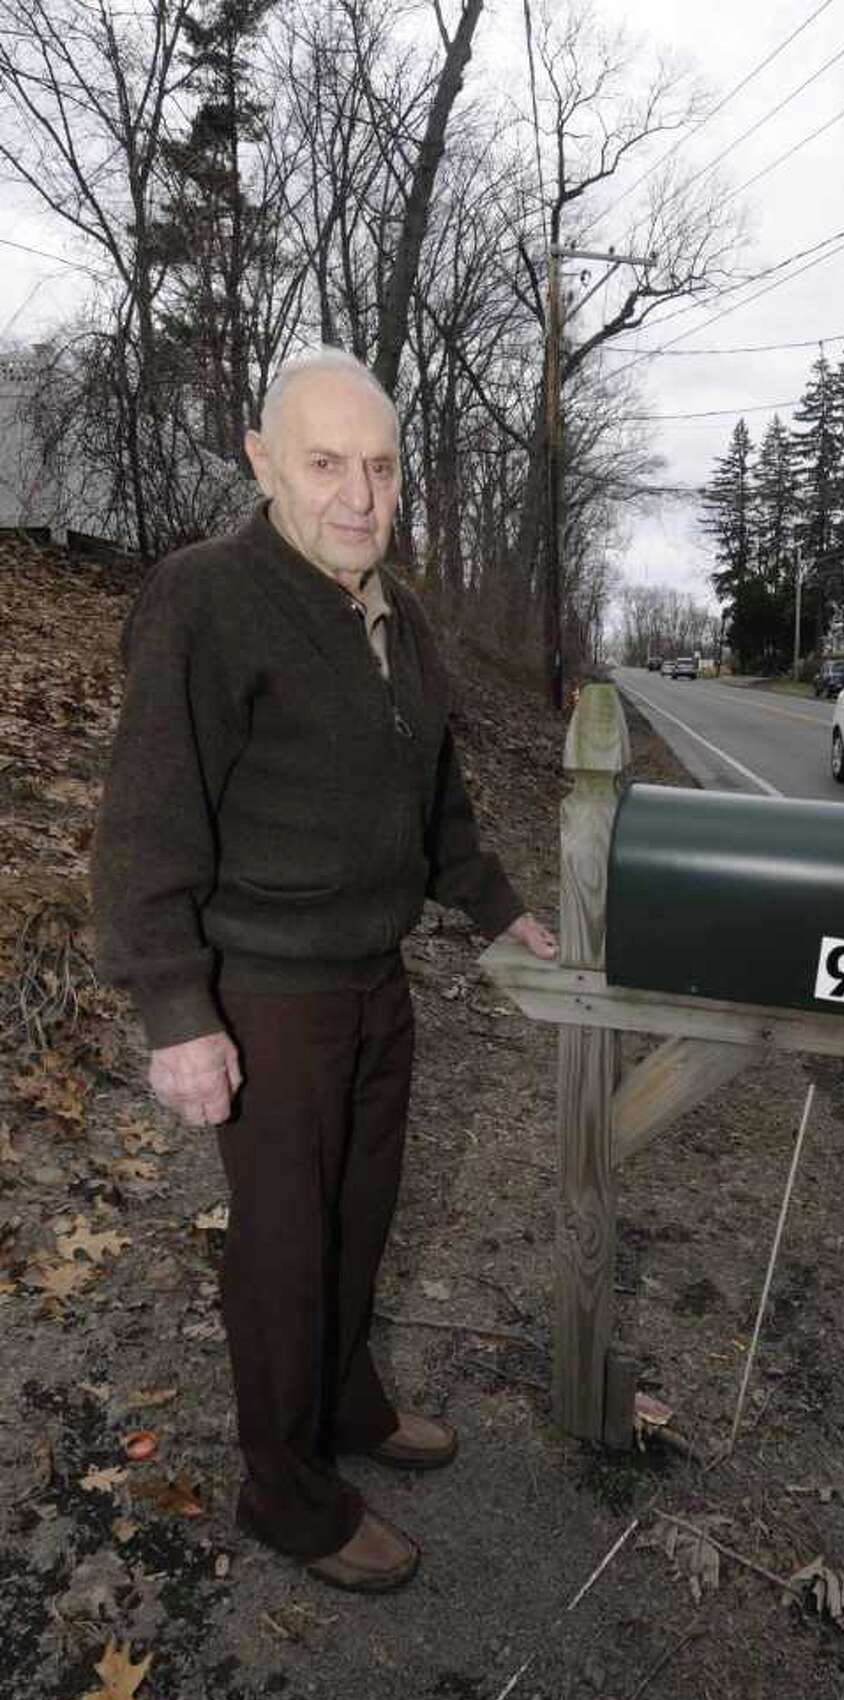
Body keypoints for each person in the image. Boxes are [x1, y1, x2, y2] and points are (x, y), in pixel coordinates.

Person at [91, 349, 556, 1595]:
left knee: (360, 1220)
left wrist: (497, 903)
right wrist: (176, 1010)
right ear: (263, 463)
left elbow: (434, 792)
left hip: (373, 980)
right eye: (326, 462)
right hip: (266, 994)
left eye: (382, 467)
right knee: (285, 1252)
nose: (359, 494)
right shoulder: (208, 597)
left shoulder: (400, 617)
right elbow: (146, 821)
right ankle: (287, 1494)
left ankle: (348, 1405)